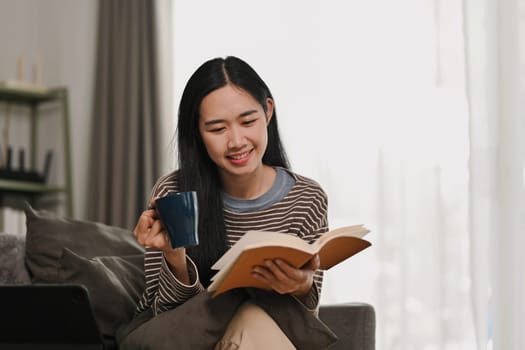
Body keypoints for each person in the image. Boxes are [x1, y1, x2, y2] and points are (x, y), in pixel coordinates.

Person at [117, 56, 334, 350]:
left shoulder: (306, 199)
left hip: (265, 336)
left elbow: (303, 324)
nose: (236, 141)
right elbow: (166, 316)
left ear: (268, 112)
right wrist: (174, 257)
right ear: (197, 131)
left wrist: (301, 286)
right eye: (218, 129)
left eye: (248, 122)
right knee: (247, 315)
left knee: (253, 317)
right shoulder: (174, 192)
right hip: (190, 339)